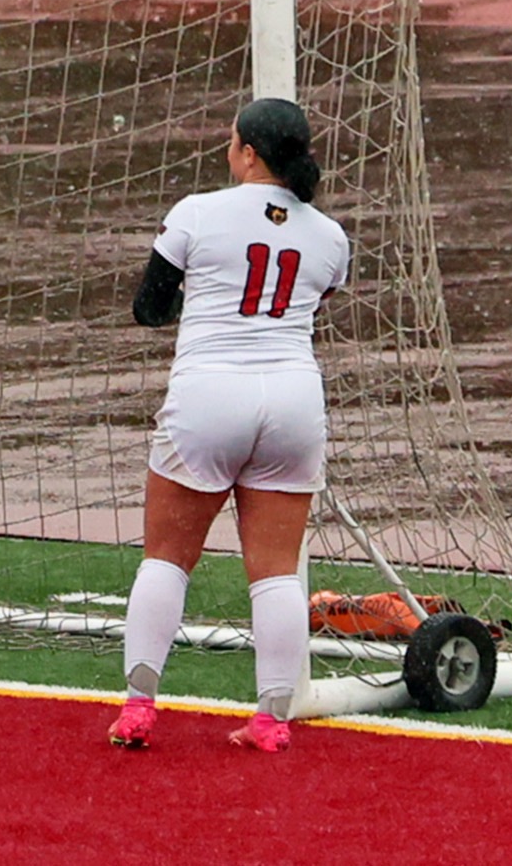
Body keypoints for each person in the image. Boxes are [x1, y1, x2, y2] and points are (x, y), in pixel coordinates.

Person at [106, 97, 351, 754]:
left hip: (210, 395)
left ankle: (138, 707)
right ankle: (271, 720)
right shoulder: (330, 237)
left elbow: (148, 309)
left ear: (247, 152)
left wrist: (199, 295)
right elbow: (308, 298)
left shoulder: (197, 213)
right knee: (275, 572)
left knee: (167, 558)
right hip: (294, 401)